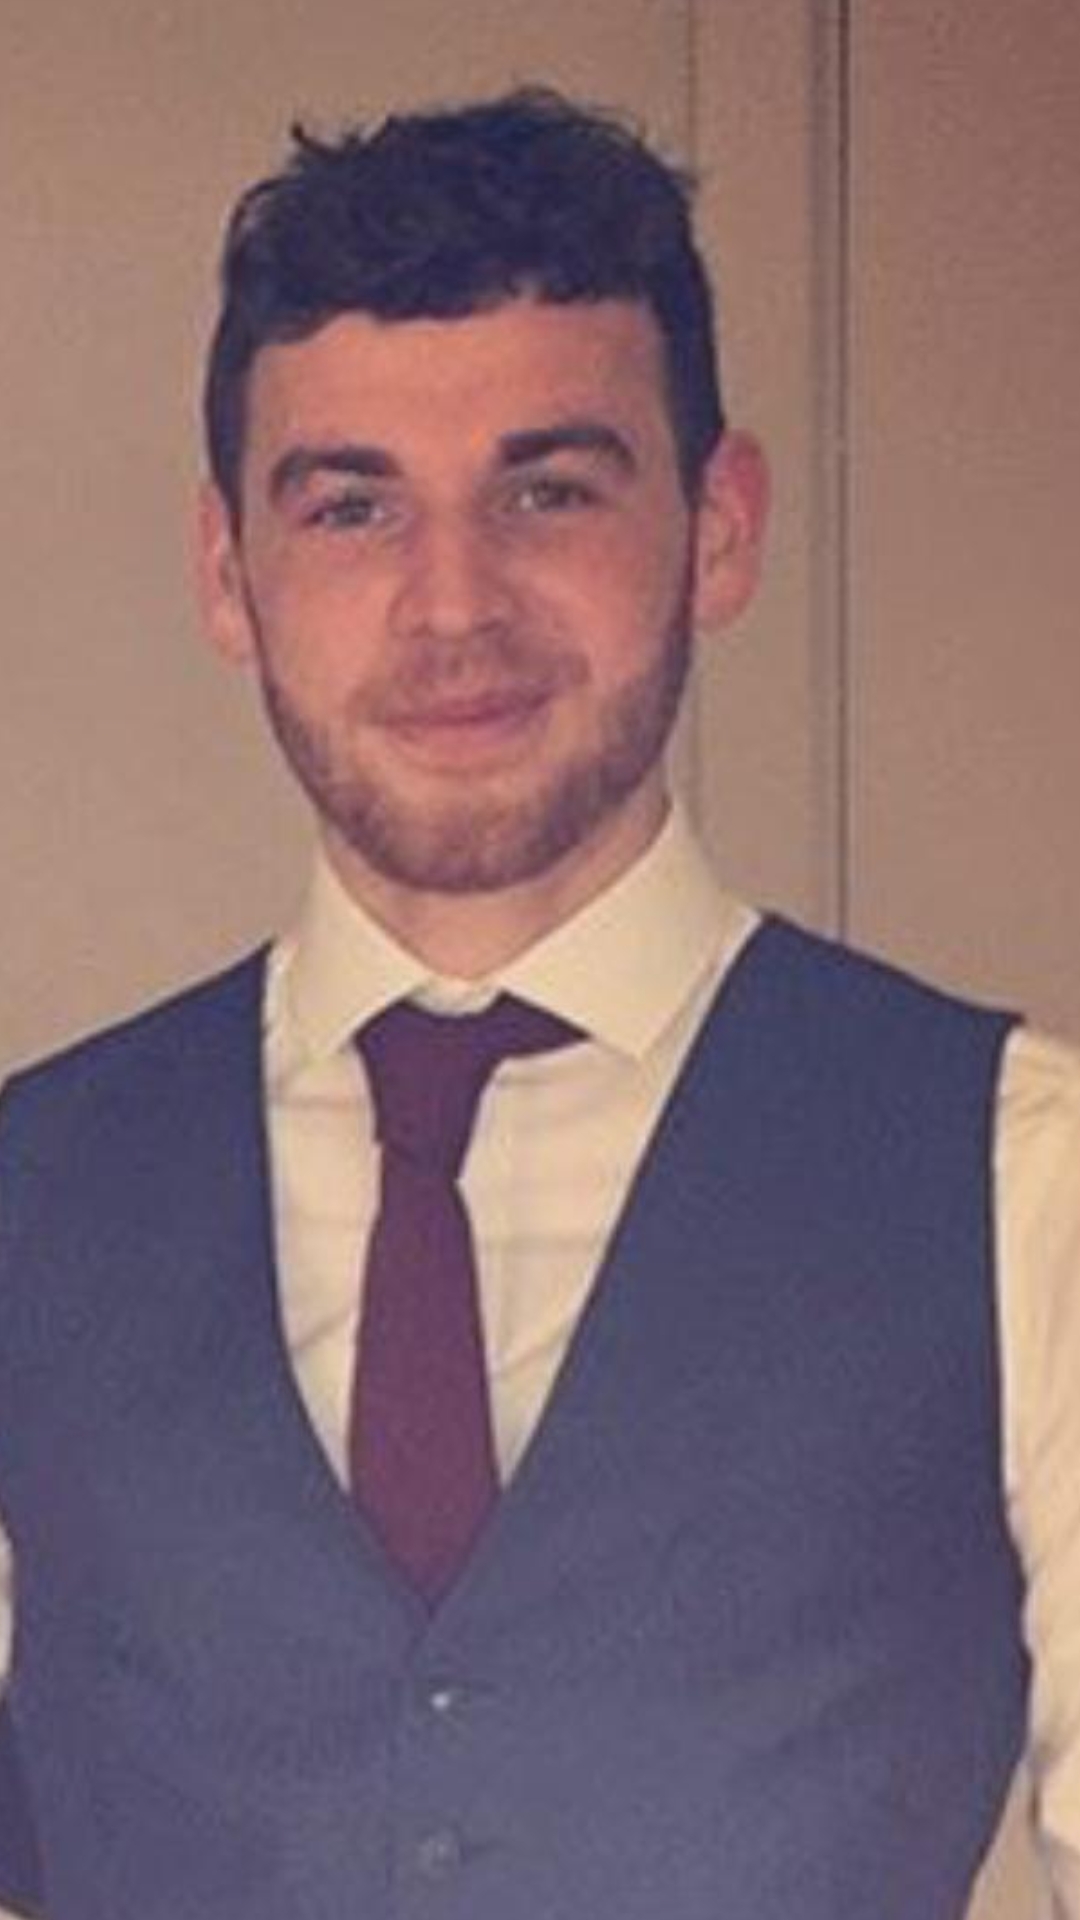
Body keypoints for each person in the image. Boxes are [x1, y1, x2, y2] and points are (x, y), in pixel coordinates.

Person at [0, 84, 1078, 1920]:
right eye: (352, 506)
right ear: (229, 575)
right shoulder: (28, 1194)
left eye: (547, 489)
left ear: (717, 528)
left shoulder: (1022, 1175)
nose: (454, 607)